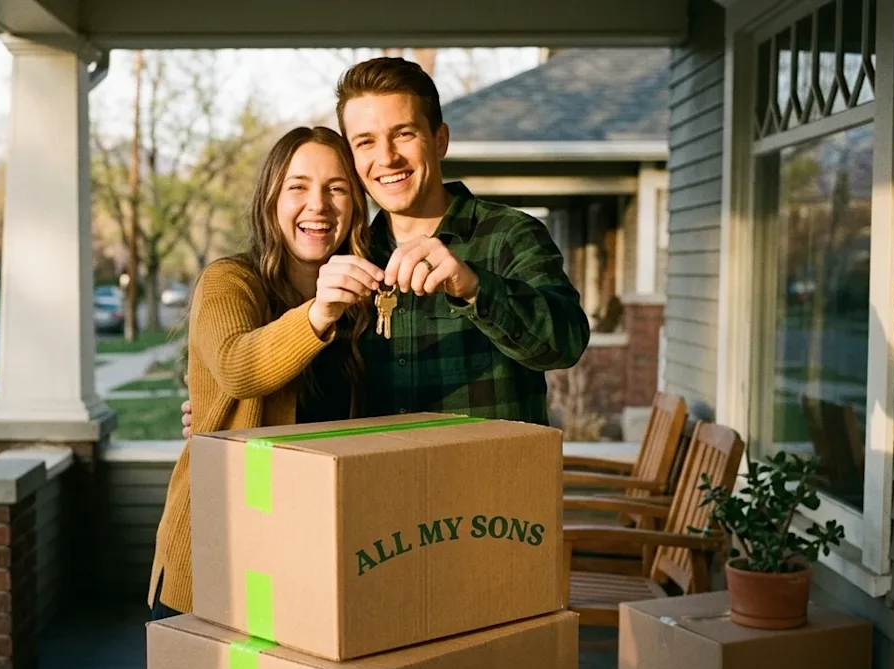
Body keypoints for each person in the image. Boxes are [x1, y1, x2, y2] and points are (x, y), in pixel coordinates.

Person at [180, 56, 589, 436]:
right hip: (376, 498)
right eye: (366, 142)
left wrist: (474, 287)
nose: (387, 157)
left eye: (404, 134)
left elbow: (566, 344)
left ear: (440, 140)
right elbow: (298, 374)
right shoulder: (349, 258)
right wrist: (225, 404)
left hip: (484, 499)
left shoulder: (509, 234)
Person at [148, 126, 381, 621]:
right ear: (270, 199)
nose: (318, 204)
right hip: (221, 549)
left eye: (337, 188)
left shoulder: (366, 302)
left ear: (357, 205)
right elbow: (238, 366)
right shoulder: (230, 281)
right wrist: (320, 311)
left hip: (311, 556)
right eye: (298, 186)